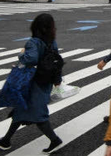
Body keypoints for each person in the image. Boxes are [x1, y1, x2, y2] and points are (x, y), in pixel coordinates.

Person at [0, 14, 63, 154]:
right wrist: (57, 80)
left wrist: (21, 54)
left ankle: (54, 140)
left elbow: (31, 59)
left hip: (33, 83)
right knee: (21, 109)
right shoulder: (52, 42)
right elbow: (57, 62)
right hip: (45, 82)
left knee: (38, 115)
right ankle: (6, 140)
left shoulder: (33, 42)